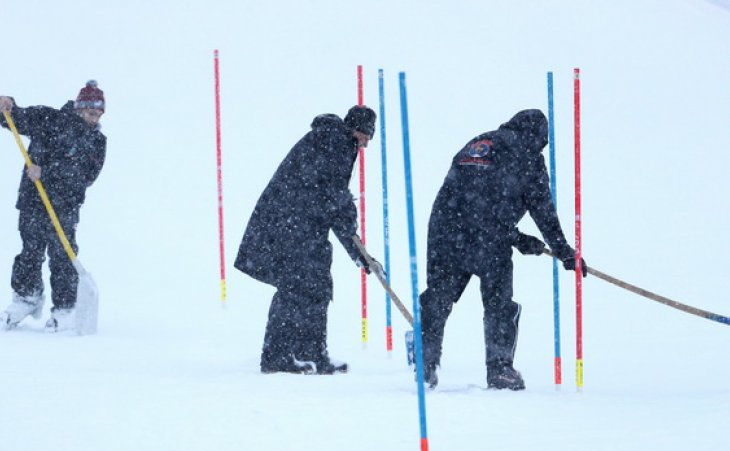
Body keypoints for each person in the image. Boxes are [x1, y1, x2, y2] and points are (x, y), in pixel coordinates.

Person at [419, 109, 587, 391]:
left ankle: (425, 362)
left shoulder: (478, 144)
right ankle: (500, 370)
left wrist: (517, 237)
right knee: (499, 304)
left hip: (444, 231)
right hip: (487, 240)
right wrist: (562, 250)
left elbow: (463, 198)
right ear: (538, 137)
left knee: (437, 298)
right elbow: (541, 209)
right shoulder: (527, 154)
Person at [234, 105, 380, 374]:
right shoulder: (336, 142)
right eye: (366, 136)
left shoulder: (332, 139)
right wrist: (357, 249)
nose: (367, 144)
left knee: (316, 286)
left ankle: (311, 352)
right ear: (357, 130)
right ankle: (277, 357)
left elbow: (332, 199)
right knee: (295, 288)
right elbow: (336, 197)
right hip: (290, 224)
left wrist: (357, 250)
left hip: (303, 224)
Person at [0, 80, 107, 332]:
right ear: (80, 108)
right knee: (30, 251)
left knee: (62, 255)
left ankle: (65, 308)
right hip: (32, 200)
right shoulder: (48, 118)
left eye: (99, 114)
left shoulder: (97, 141)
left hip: (65, 205)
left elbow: (84, 177)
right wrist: (8, 106)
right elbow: (18, 119)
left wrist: (45, 173)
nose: (95, 119)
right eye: (92, 113)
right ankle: (27, 298)